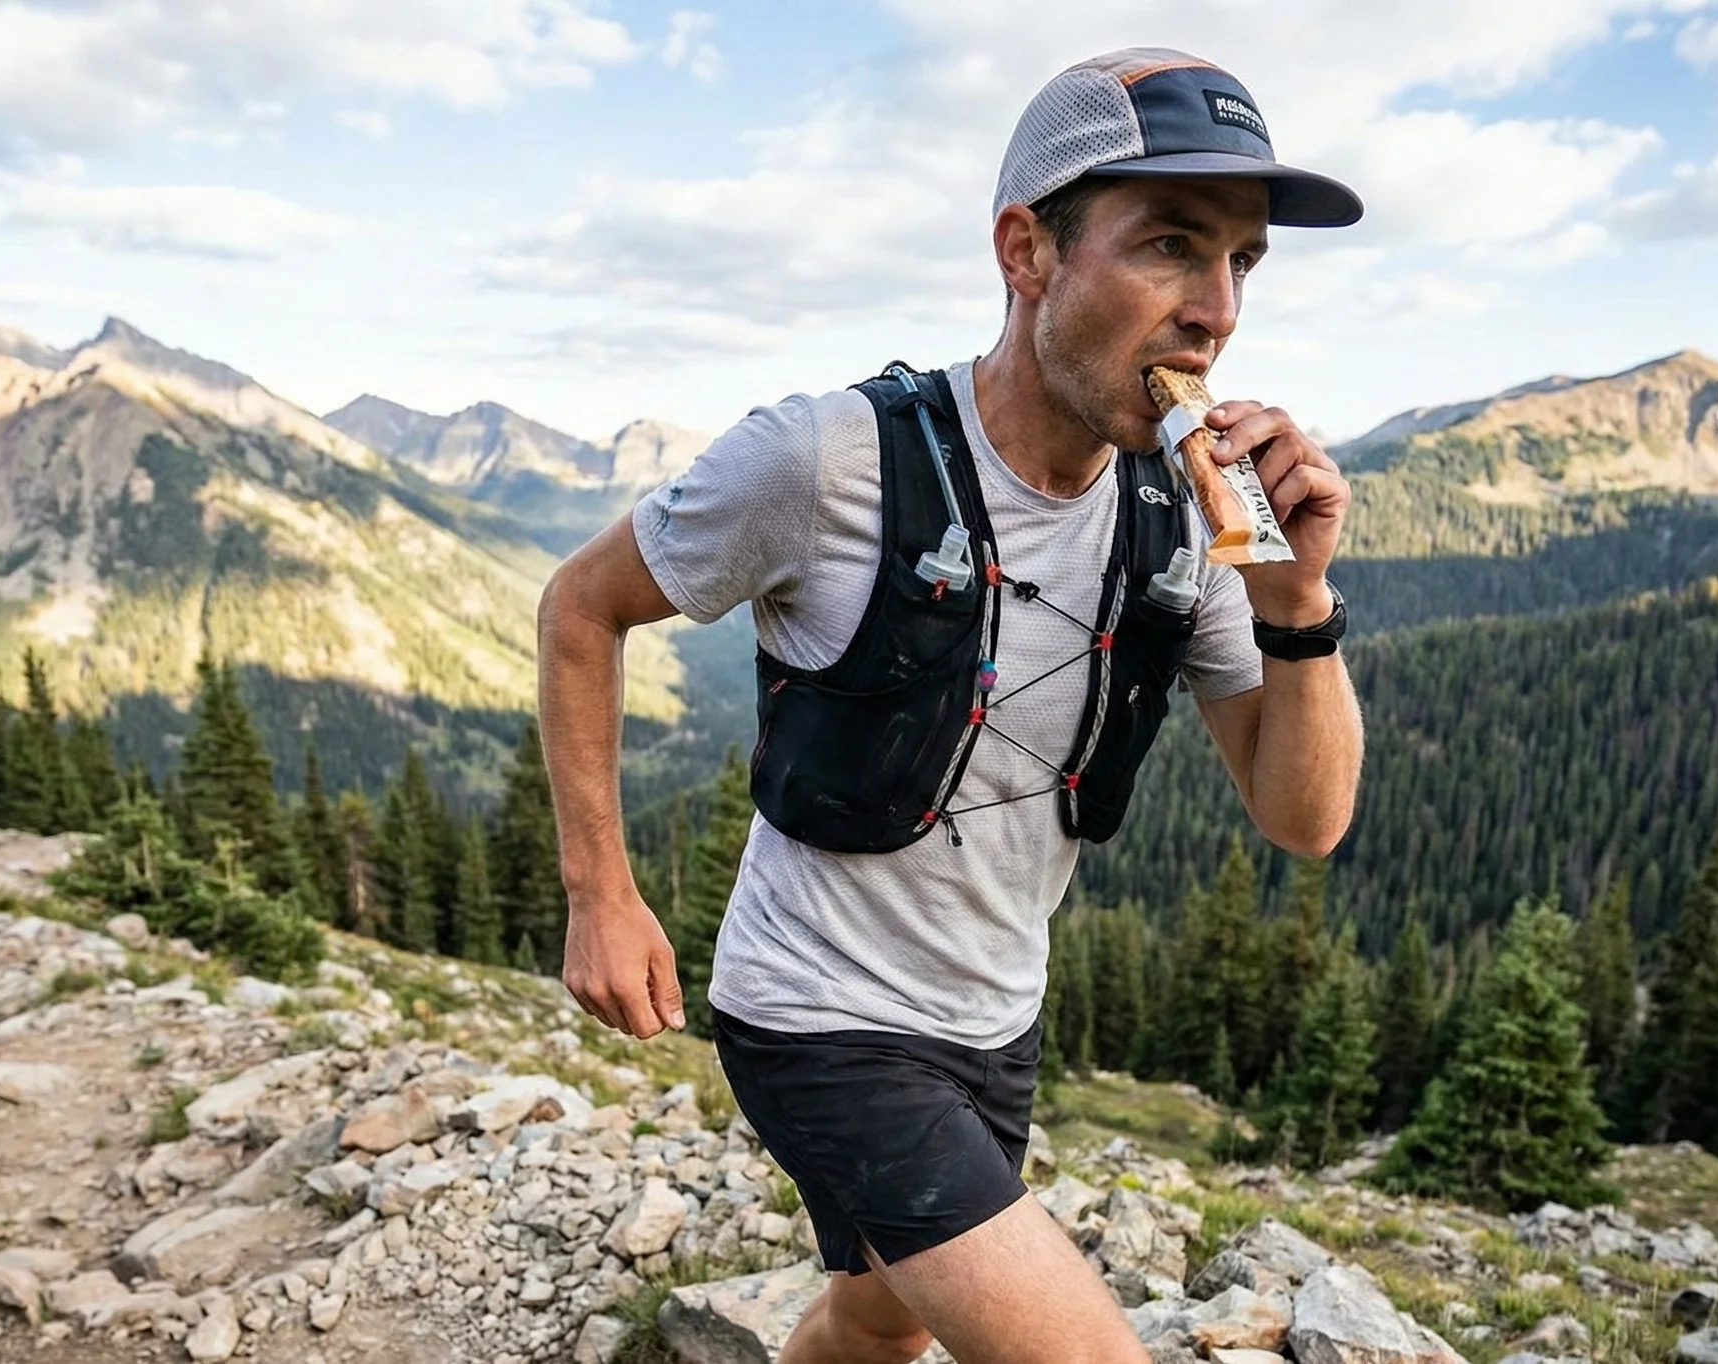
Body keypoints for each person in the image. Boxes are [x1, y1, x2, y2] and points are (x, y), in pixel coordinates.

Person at [536, 47, 1366, 1364]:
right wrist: (599, 889)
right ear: (1025, 251)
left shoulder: (1190, 517)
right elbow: (582, 606)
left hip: (990, 1016)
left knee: (880, 1324)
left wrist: (1292, 601)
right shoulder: (829, 461)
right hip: (815, 1012)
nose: (1214, 310)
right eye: (1167, 245)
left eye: (1243, 261)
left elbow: (1303, 817)